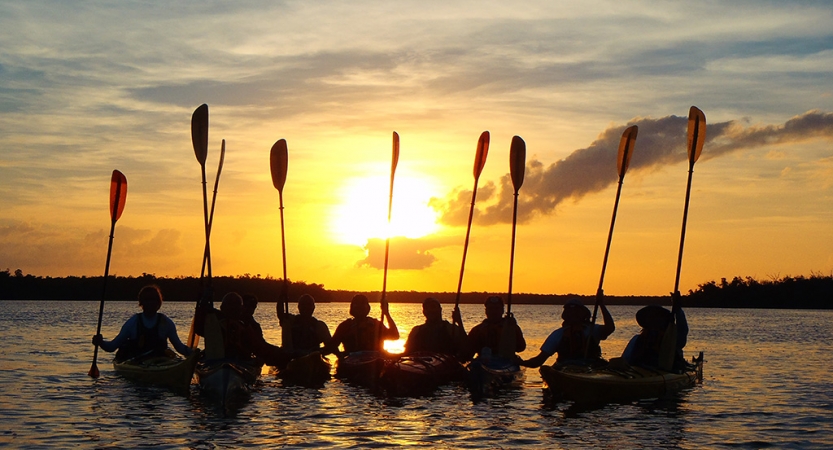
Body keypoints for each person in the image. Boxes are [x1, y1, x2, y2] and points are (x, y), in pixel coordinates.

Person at [92, 285, 192, 361]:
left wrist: (194, 353)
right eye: (147, 300)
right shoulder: (133, 323)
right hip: (136, 363)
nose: (151, 303)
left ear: (159, 302)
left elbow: (180, 348)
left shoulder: (166, 323)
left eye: (154, 300)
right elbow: (112, 347)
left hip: (160, 363)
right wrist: (100, 342)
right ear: (141, 302)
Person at [521, 297, 615, 368]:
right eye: (570, 311)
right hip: (566, 368)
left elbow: (610, 328)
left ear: (583, 314)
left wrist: (601, 304)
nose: (573, 314)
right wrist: (520, 362)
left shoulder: (593, 329)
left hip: (591, 367)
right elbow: (538, 361)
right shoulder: (558, 335)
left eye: (576, 312)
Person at [621, 292, 689, 371]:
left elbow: (682, 332)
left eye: (657, 316)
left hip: (663, 371)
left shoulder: (670, 339)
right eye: (650, 316)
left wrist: (678, 309)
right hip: (639, 371)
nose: (654, 319)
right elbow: (626, 358)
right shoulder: (638, 339)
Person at [322, 294, 399, 356]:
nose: (360, 308)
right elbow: (331, 347)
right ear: (352, 309)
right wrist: (340, 355)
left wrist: (386, 313)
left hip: (374, 363)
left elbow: (395, 336)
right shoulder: (345, 326)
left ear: (368, 308)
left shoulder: (376, 324)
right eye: (357, 306)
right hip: (352, 363)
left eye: (362, 305)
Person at [461, 296, 526, 362]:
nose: (493, 312)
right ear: (486, 311)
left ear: (502, 310)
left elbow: (521, 348)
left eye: (497, 308)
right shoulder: (477, 330)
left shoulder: (510, 327)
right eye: (490, 309)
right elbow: (468, 353)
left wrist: (514, 329)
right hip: (484, 362)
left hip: (506, 362)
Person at [194, 292, 256, 361]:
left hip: (231, 361)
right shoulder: (216, 323)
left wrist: (202, 306)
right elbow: (199, 329)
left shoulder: (246, 326)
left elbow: (198, 329)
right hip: (223, 361)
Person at [241, 293, 290, 367]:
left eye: (253, 306)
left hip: (249, 357)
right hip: (238, 356)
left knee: (281, 354)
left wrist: (279, 351)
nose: (250, 309)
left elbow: (261, 345)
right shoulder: (229, 321)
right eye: (247, 306)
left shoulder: (255, 326)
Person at [278, 294, 332, 358]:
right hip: (292, 357)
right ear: (299, 307)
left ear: (313, 307)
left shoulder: (319, 326)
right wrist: (282, 295)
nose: (306, 308)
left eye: (309, 305)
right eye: (303, 305)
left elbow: (330, 347)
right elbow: (280, 313)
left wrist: (319, 351)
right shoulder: (290, 321)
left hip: (311, 358)